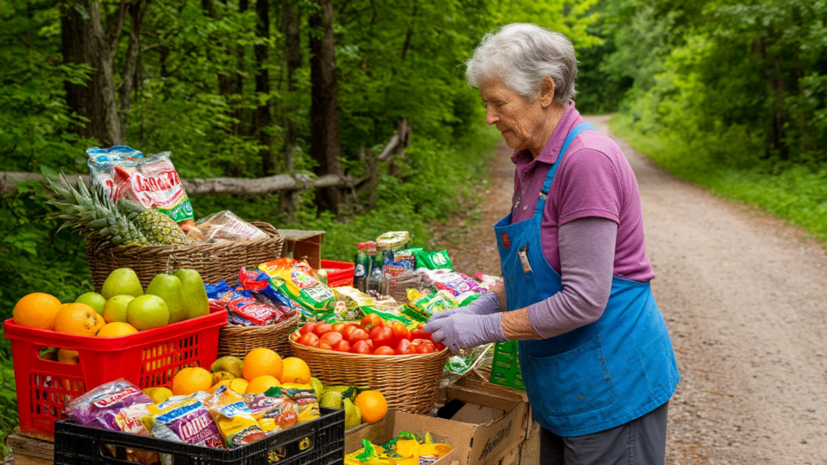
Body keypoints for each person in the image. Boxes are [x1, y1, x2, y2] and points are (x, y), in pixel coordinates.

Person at [423, 23, 680, 464]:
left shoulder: (585, 162)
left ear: (545, 90)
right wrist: (483, 305)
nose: (489, 116)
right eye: (485, 102)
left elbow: (582, 299)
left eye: (499, 103)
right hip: (566, 387)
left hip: (611, 386)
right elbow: (537, 273)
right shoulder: (534, 163)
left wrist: (483, 328)